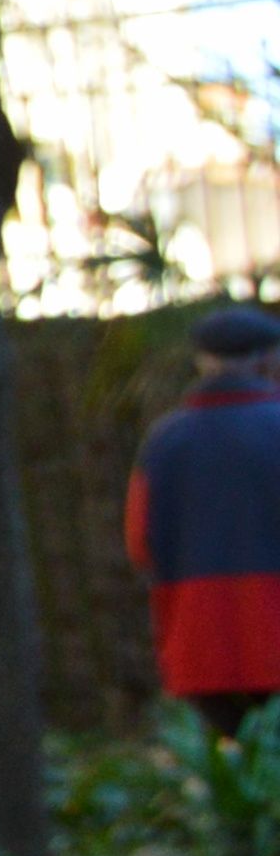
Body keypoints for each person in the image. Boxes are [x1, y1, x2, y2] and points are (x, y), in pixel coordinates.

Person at [136, 307, 280, 737]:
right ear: (267, 359)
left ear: (202, 362)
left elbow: (140, 542)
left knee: (237, 779)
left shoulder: (163, 441)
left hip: (200, 643)